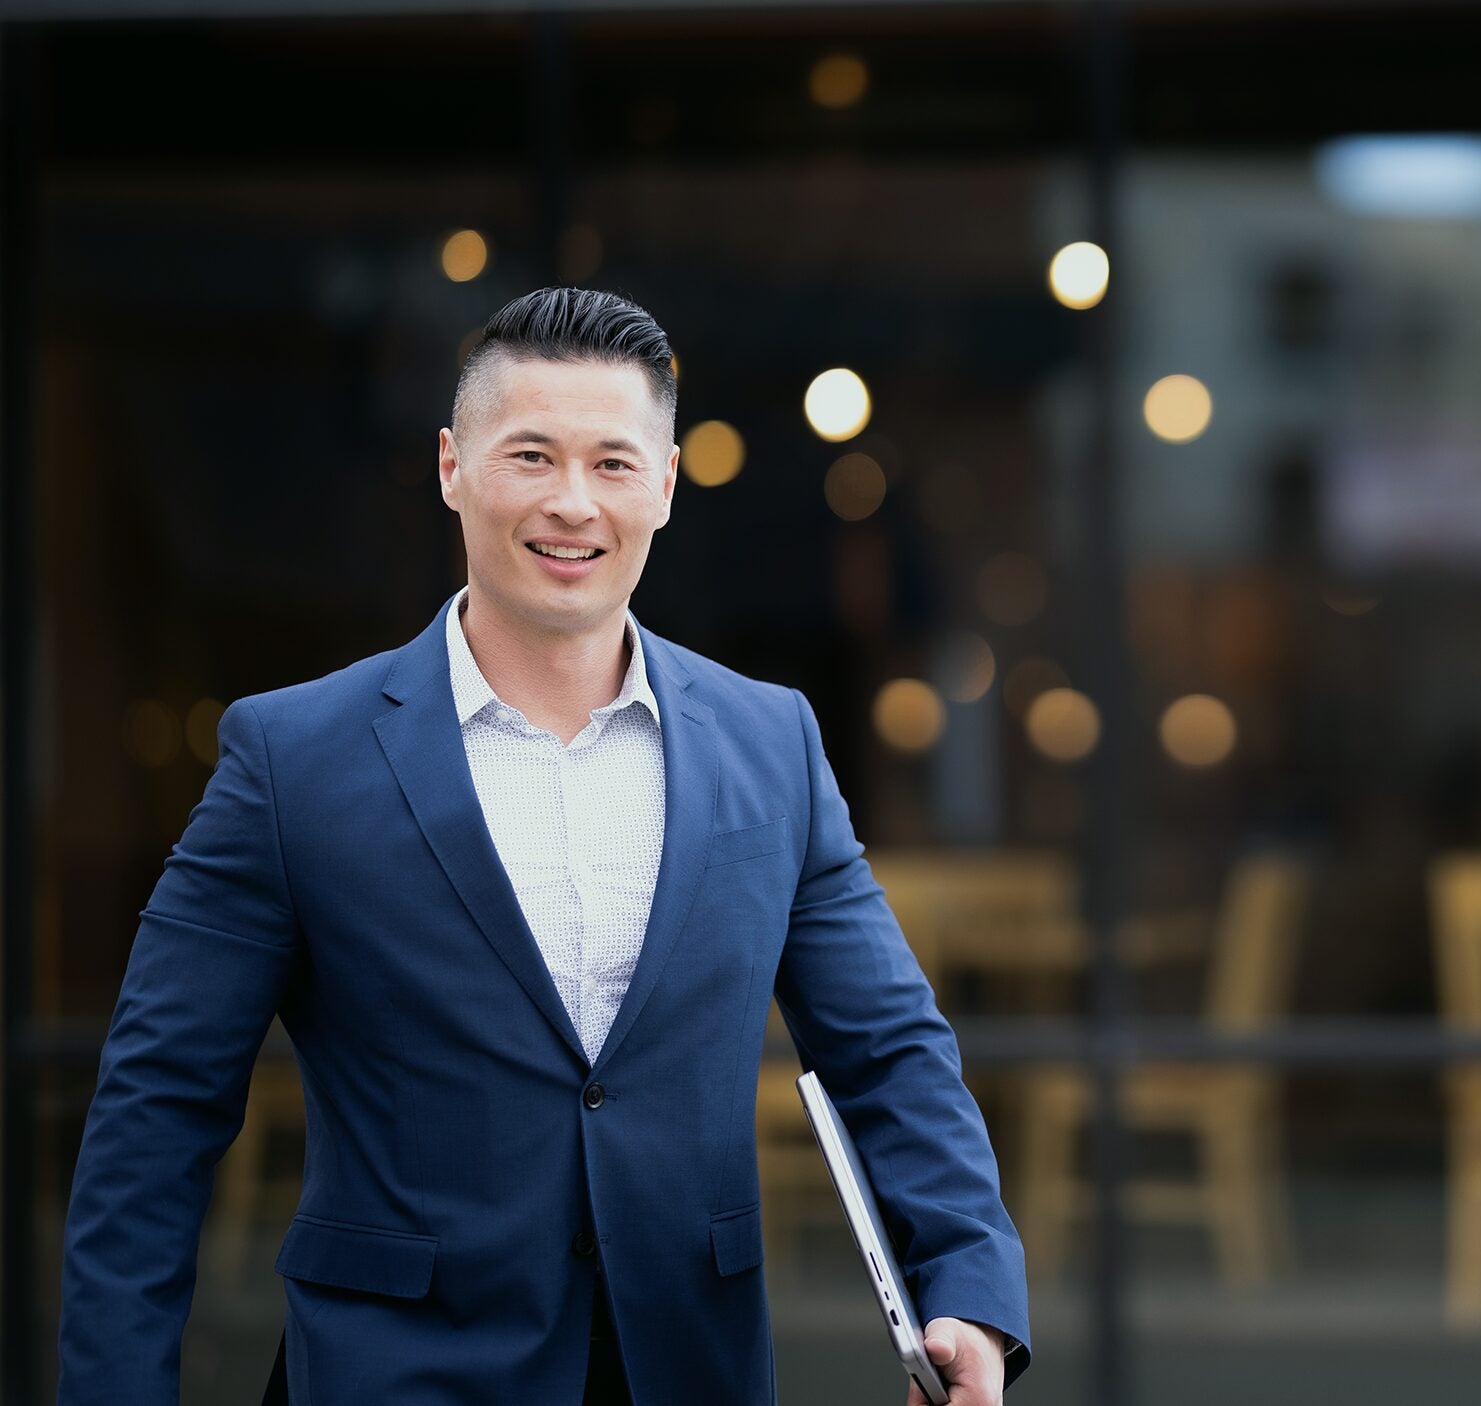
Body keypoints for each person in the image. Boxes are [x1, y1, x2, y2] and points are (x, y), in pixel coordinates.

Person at [54, 287, 1028, 1404]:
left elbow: (889, 1049)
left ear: (665, 483)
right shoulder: (291, 758)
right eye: (530, 455)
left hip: (689, 1370)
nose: (573, 503)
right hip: (394, 1376)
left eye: (614, 462)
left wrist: (970, 1290)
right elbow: (155, 1110)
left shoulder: (773, 742)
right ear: (450, 468)